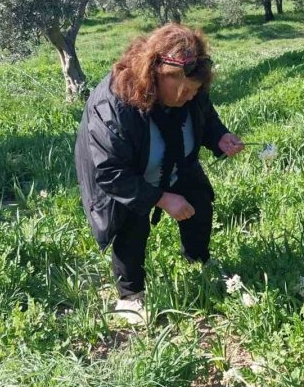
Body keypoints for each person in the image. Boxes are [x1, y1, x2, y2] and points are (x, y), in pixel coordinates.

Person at [74, 23, 244, 324]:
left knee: (199, 200)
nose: (190, 97)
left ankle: (198, 260)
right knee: (131, 225)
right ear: (159, 74)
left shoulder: (190, 89)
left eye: (195, 92)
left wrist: (219, 136)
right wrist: (162, 198)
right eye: (185, 90)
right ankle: (130, 296)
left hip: (174, 162)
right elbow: (111, 171)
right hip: (126, 177)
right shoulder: (114, 105)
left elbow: (205, 115)